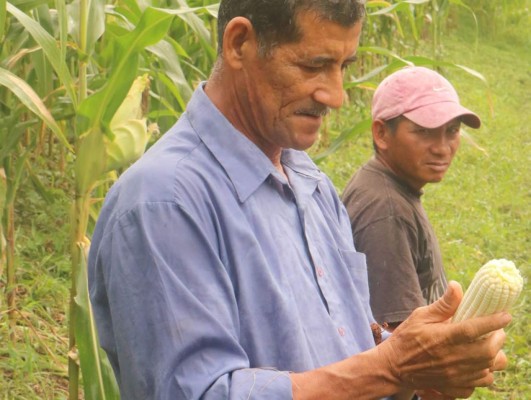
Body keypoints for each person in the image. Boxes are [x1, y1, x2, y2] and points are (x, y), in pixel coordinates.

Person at [88, 2, 510, 399]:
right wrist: (392, 367)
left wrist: (418, 367)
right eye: (314, 66)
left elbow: (344, 342)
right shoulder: (164, 204)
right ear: (239, 44)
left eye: (343, 67)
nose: (336, 95)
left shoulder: (311, 182)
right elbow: (200, 391)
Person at [341, 66, 481, 332]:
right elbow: (401, 344)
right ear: (381, 133)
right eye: (423, 131)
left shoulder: (390, 186)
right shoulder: (386, 211)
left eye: (451, 131)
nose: (441, 148)